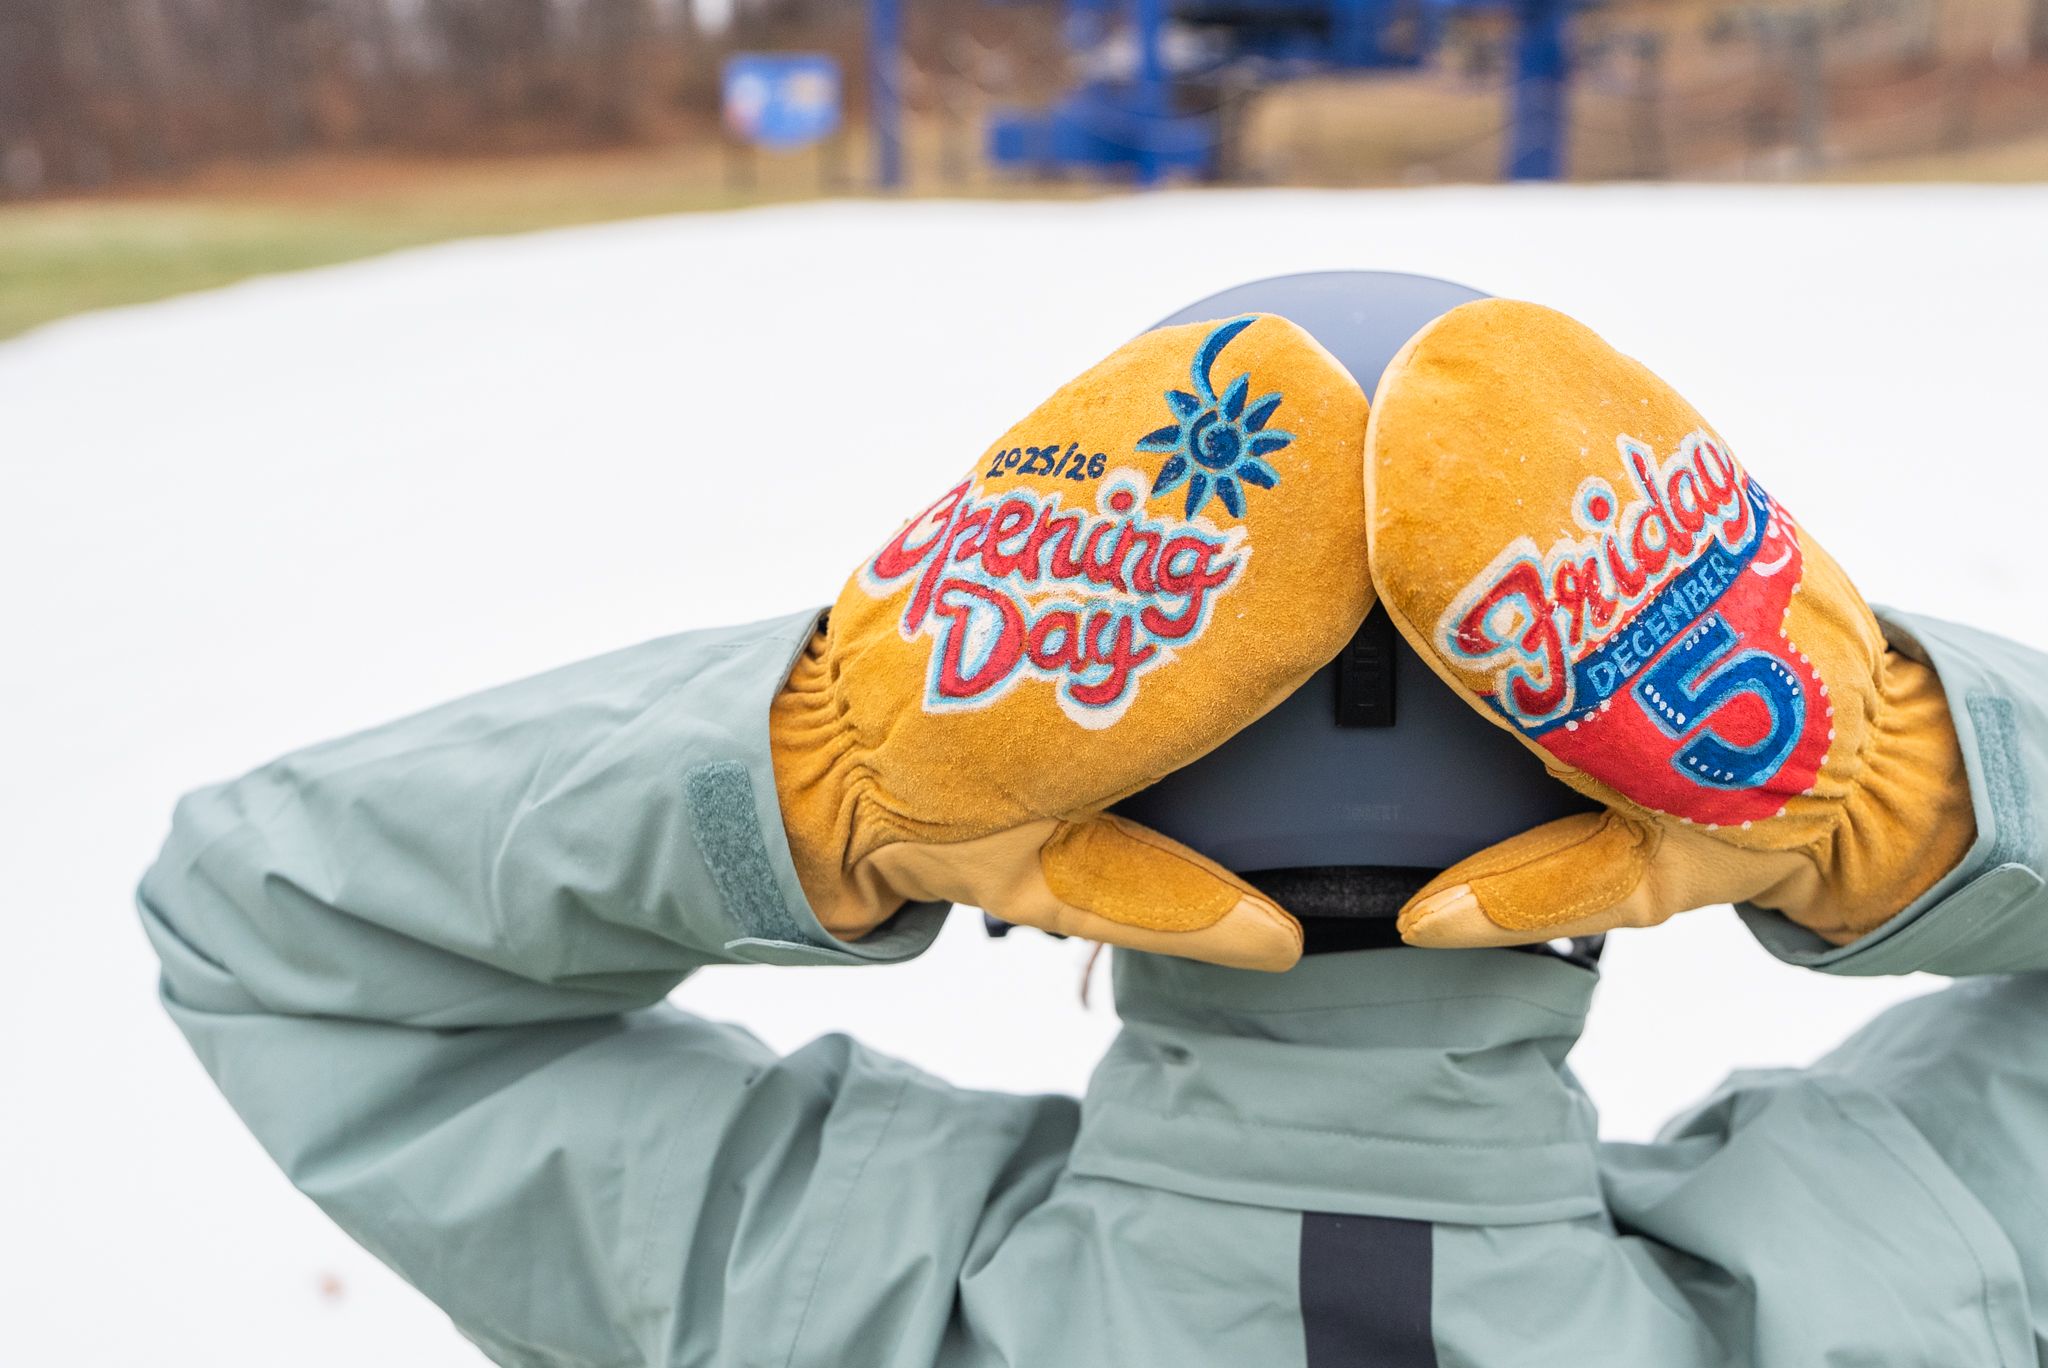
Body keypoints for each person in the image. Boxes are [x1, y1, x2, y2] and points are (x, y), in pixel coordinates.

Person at [139, 277, 2048, 1367]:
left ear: (1063, 779)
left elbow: (272, 927)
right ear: (1652, 781)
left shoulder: (841, 1304)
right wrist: (1897, 788)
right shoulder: (1889, 1285)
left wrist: (816, 782)